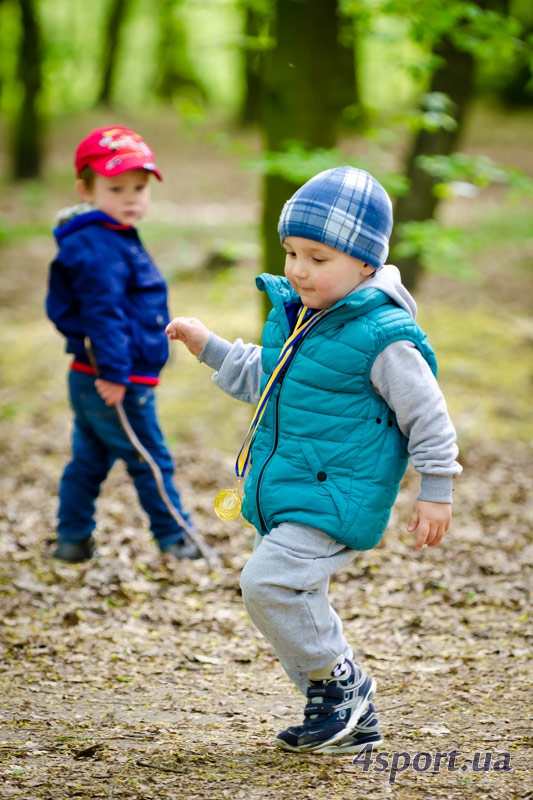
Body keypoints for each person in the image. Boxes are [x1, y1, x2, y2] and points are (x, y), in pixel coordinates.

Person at [166, 166, 462, 754]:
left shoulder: (385, 337)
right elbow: (264, 378)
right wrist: (209, 346)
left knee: (267, 584)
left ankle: (341, 684)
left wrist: (437, 488)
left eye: (318, 258)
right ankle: (344, 715)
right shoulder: (299, 318)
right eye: (292, 253)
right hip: (290, 490)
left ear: (365, 266)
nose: (298, 269)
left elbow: (428, 416)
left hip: (336, 496)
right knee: (290, 597)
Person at [46, 125, 201, 563]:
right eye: (117, 188)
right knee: (150, 460)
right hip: (111, 379)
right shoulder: (97, 246)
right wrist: (114, 375)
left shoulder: (112, 235)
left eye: (139, 187)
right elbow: (104, 315)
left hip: (94, 377)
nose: (132, 197)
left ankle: (72, 540)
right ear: (86, 189)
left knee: (89, 462)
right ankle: (177, 540)